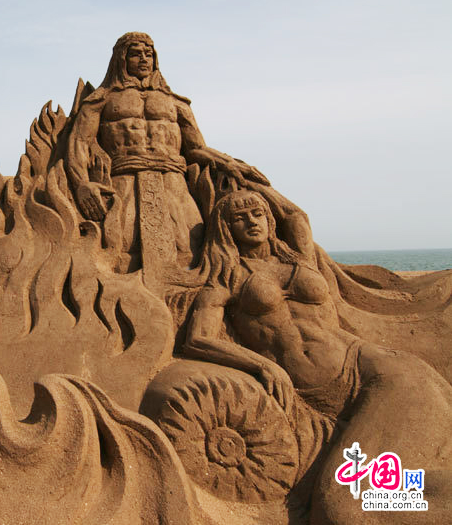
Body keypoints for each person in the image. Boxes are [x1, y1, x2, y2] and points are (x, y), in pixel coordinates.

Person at [181, 190, 452, 523]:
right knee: (368, 494)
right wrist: (262, 365)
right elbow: (198, 338)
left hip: (380, 371)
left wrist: (238, 170)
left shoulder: (299, 259)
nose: (252, 221)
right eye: (239, 218)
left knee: (343, 503)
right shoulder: (226, 279)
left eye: (258, 213)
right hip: (331, 398)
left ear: (269, 218)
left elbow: (297, 217)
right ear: (225, 229)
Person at [65, 32, 267, 285]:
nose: (144, 59)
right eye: (136, 53)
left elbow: (196, 148)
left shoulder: (175, 102)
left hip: (172, 179)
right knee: (124, 246)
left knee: (189, 243)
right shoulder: (102, 99)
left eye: (149, 54)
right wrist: (82, 185)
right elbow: (79, 143)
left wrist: (230, 163)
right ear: (121, 59)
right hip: (126, 178)